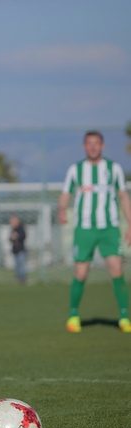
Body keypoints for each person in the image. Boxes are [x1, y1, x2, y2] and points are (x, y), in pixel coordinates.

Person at [58, 130, 131, 333]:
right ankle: (73, 315)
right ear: (84, 146)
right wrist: (62, 210)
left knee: (116, 269)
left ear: (102, 146)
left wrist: (130, 224)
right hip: (85, 229)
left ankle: (124, 317)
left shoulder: (113, 169)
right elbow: (65, 194)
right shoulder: (76, 170)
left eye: (96, 143)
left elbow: (123, 196)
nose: (92, 146)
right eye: (89, 143)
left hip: (109, 227)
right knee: (81, 272)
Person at [9, 214, 27, 284]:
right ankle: (18, 279)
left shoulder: (21, 228)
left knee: (21, 265)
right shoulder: (13, 229)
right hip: (15, 250)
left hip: (21, 250)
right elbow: (10, 238)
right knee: (17, 266)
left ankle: (23, 279)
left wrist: (17, 236)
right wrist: (12, 238)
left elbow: (23, 236)